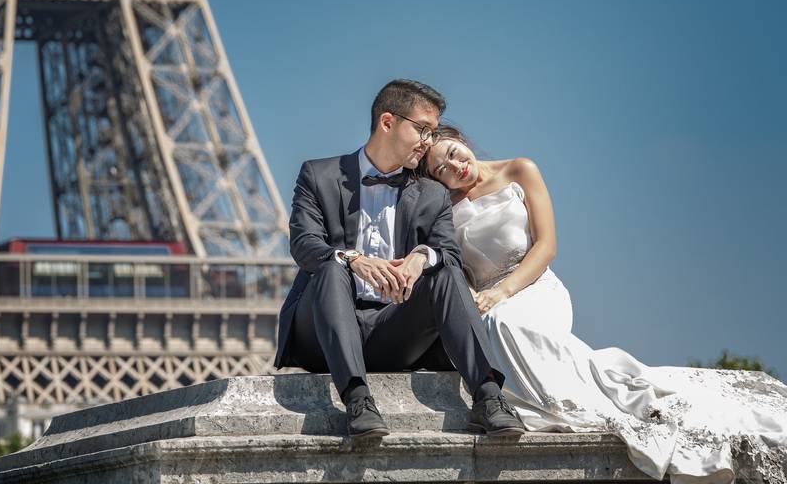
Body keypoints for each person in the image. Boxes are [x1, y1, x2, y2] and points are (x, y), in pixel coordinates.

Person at [421, 124, 787, 483]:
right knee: (485, 328)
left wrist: (504, 292)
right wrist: (472, 297)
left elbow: (546, 246)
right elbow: (458, 268)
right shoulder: (444, 208)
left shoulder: (520, 169)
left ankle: (588, 400)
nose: (455, 167)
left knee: (504, 323)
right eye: (442, 170)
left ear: (461, 140)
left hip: (532, 286)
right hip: (485, 299)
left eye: (453, 153)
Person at [274, 80, 524, 439]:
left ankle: (487, 397)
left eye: (434, 132)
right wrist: (353, 259)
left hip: (393, 329)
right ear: (387, 122)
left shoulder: (432, 193)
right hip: (323, 332)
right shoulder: (319, 174)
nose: (429, 141)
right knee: (332, 265)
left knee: (446, 272)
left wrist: (421, 258)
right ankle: (358, 399)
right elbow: (304, 242)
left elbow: (448, 251)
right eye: (423, 129)